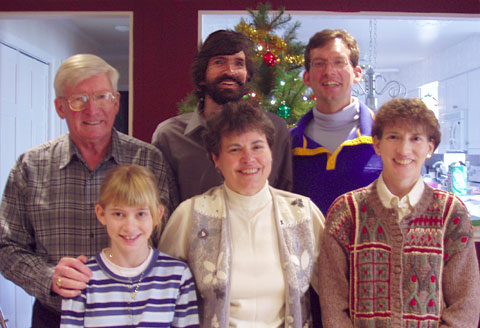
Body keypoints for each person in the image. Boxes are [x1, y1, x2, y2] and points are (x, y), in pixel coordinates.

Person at [0, 54, 178, 327]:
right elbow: (6, 247)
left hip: (135, 316)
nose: (92, 110)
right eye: (78, 99)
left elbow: (170, 240)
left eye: (102, 97)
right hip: (56, 316)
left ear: (116, 102)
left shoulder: (150, 161)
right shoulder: (30, 168)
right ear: (60, 107)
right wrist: (48, 277)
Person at [158, 99, 324, 327]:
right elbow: (161, 290)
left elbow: (333, 288)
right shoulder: (191, 215)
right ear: (216, 159)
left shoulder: (301, 213)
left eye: (257, 146)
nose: (249, 159)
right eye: (235, 149)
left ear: (271, 152)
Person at [318, 98, 480, 327]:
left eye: (416, 138)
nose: (404, 150)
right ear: (377, 144)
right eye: (393, 137)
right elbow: (333, 303)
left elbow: (465, 305)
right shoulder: (346, 212)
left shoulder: (450, 214)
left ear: (430, 148)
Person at [152, 29, 293, 202]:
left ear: (247, 74)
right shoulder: (170, 136)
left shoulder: (274, 129)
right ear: (202, 75)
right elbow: (159, 206)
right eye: (219, 62)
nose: (231, 71)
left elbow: (286, 198)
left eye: (239, 63)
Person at [60, 165, 198, 327]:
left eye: (141, 214)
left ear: (157, 215)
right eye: (119, 214)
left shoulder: (178, 276)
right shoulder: (82, 279)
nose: (130, 227)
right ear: (101, 214)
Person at [290, 29, 383, 215]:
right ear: (306, 77)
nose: (329, 71)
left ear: (357, 74)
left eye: (339, 62)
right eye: (319, 63)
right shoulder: (287, 144)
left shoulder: (385, 137)